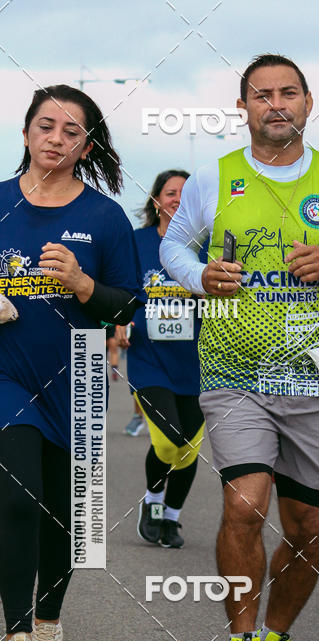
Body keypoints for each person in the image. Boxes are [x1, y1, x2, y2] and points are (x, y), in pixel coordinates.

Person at [161, 53, 319, 641]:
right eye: (263, 95)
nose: (276, 104)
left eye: (289, 93)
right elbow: (175, 245)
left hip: (314, 376)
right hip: (233, 372)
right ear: (244, 107)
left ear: (309, 103)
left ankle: (275, 637)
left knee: (307, 526)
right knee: (244, 504)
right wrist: (198, 274)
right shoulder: (214, 177)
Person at [0, 85, 145, 641]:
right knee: (16, 498)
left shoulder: (104, 217)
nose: (56, 139)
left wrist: (84, 285)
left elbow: (129, 303)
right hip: (7, 374)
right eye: (46, 126)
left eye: (71, 131)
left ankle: (50, 623)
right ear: (26, 133)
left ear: (86, 147)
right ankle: (15, 636)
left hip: (79, 373)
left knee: (64, 515)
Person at [116, 170, 207, 549]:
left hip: (198, 362)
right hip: (149, 358)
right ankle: (152, 499)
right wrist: (117, 322)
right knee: (169, 441)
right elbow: (118, 287)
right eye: (170, 193)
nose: (177, 199)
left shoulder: (208, 246)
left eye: (186, 194)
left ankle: (171, 517)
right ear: (156, 201)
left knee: (189, 448)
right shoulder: (136, 243)